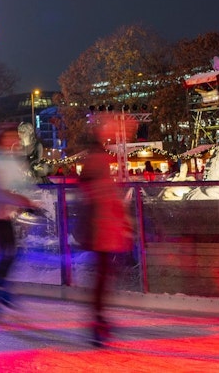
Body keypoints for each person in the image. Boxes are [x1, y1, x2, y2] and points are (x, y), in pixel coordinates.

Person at [78, 114, 133, 347]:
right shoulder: (98, 160)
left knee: (105, 274)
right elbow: (101, 195)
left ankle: (98, 319)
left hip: (102, 226)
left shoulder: (96, 160)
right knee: (104, 274)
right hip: (102, 227)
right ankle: (98, 321)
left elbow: (96, 192)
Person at [0, 122, 40, 318]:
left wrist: (28, 199)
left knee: (10, 253)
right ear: (2, 140)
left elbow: (20, 183)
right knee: (8, 253)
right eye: (9, 137)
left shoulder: (10, 159)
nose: (13, 139)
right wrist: (24, 200)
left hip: (6, 212)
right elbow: (0, 191)